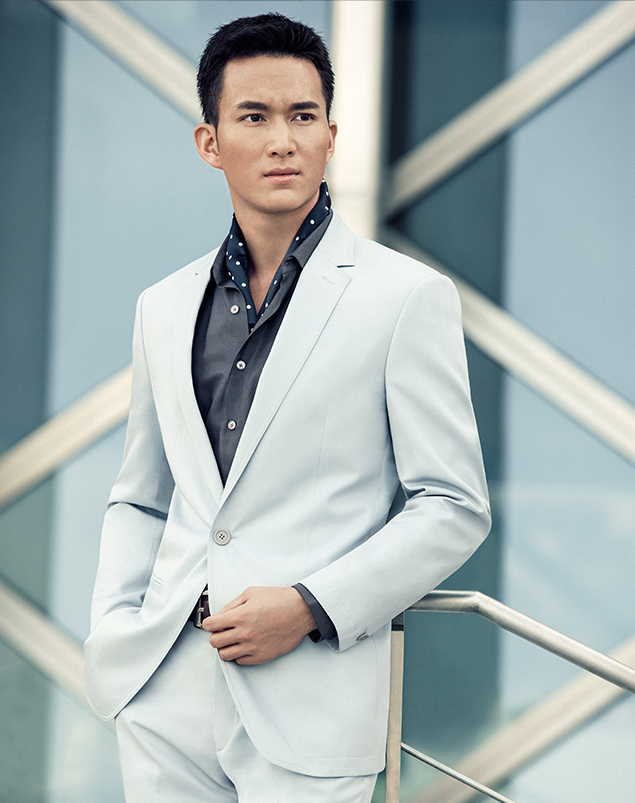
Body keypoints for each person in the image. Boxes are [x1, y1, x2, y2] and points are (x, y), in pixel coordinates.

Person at [84, 12, 490, 803]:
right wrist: (116, 629)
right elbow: (140, 495)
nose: (282, 141)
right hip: (162, 686)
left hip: (309, 693)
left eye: (303, 117)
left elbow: (452, 504)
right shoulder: (162, 306)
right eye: (254, 117)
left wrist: (309, 606)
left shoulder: (404, 297)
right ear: (210, 143)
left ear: (330, 137)